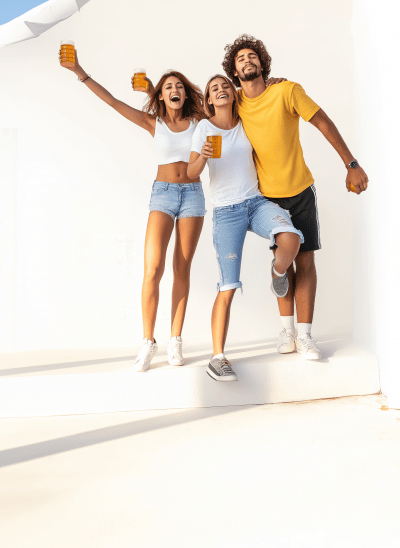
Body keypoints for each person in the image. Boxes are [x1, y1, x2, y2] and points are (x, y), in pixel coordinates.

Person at [221, 34, 369, 359]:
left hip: (301, 191)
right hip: (267, 200)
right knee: (283, 262)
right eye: (240, 59)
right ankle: (286, 330)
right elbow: (200, 106)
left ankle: (304, 335)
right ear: (234, 70)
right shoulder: (234, 104)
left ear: (262, 63)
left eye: (251, 56)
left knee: (305, 261)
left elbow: (322, 121)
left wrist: (351, 164)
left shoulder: (287, 90)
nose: (246, 60)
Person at [59, 48, 206, 371]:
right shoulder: (153, 123)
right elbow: (112, 101)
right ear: (161, 95)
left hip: (193, 196)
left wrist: (155, 86)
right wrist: (79, 71)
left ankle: (175, 341)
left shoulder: (199, 121)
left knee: (182, 269)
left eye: (178, 86)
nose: (175, 91)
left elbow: (226, 104)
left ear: (185, 92)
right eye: (168, 88)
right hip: (163, 195)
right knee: (153, 269)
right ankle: (148, 342)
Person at [188, 75, 304, 381]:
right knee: (228, 285)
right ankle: (217, 358)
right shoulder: (204, 128)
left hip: (256, 202)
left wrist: (273, 81)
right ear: (209, 100)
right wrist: (203, 156)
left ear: (233, 92)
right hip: (227, 212)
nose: (222, 90)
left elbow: (258, 92)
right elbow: (190, 172)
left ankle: (278, 271)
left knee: (290, 238)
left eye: (226, 85)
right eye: (215, 89)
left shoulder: (245, 121)